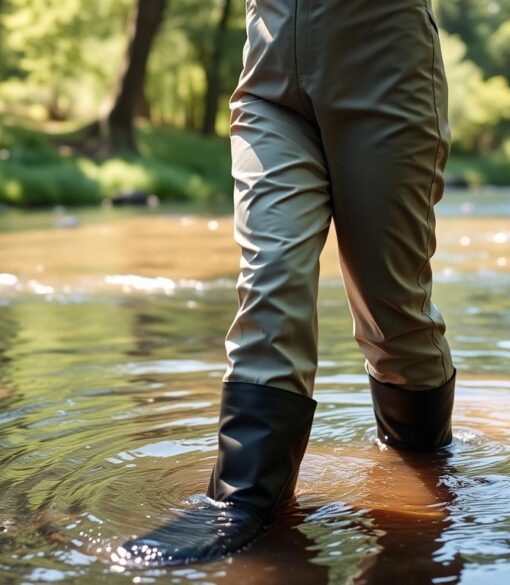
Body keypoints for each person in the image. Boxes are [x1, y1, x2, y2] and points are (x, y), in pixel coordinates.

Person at [113, 0, 456, 567]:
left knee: (392, 310)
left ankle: (421, 463)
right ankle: (244, 498)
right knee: (270, 278)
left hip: (386, 66)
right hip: (270, 72)